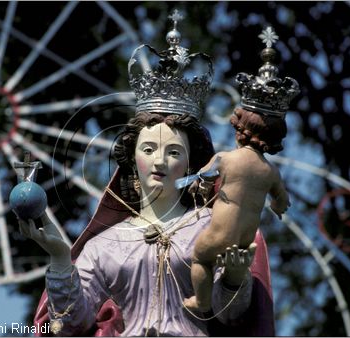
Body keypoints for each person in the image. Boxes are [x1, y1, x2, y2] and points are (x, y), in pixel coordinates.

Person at [17, 13, 278, 336]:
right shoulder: (105, 244)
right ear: (133, 160)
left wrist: (235, 279)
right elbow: (71, 323)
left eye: (173, 152)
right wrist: (59, 258)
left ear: (190, 164)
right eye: (149, 150)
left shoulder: (213, 228)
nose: (160, 161)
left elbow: (233, 319)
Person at [183, 106, 290, 312]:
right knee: (231, 270)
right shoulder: (271, 171)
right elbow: (283, 201)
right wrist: (277, 207)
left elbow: (203, 176)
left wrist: (198, 185)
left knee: (201, 259)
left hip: (221, 234)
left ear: (240, 132)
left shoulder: (225, 158)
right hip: (245, 240)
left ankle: (202, 302)